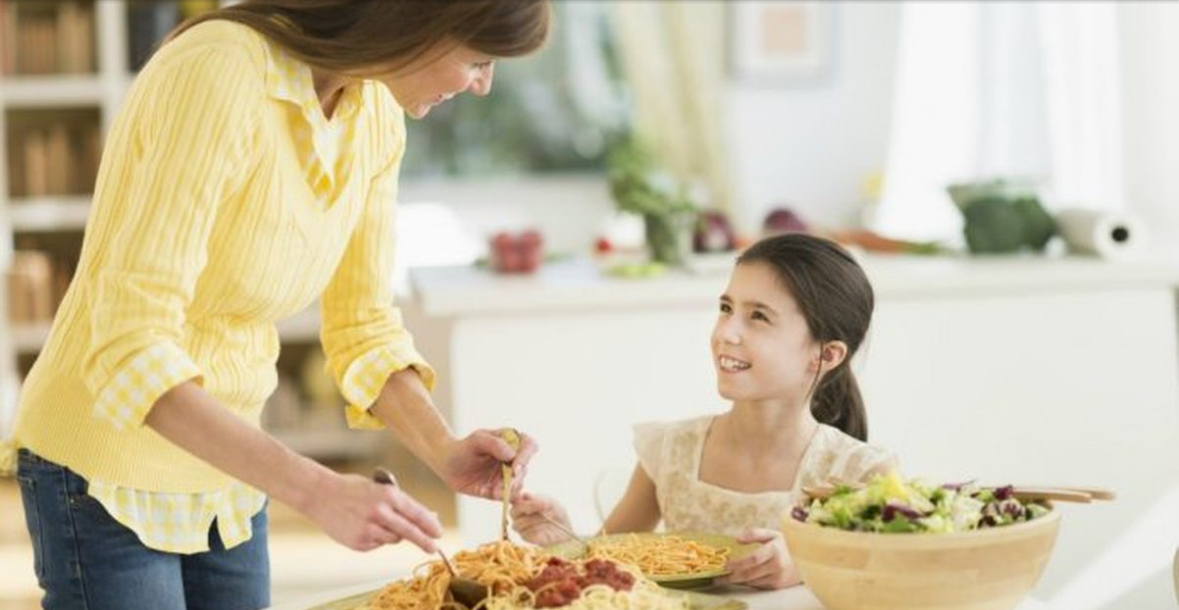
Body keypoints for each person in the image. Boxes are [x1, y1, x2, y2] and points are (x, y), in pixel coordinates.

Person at [0, 1, 550, 608]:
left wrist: (443, 450)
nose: (482, 85)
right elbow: (131, 343)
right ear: (421, 20)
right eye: (479, 60)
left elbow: (363, 327)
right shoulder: (219, 71)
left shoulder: (373, 116)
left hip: (230, 470)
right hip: (104, 464)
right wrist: (316, 490)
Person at [511, 233, 899, 590]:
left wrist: (807, 566)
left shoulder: (862, 475)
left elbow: (895, 585)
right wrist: (563, 541)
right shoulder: (669, 450)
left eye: (759, 316)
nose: (726, 332)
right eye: (726, 308)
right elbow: (605, 568)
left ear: (826, 355)